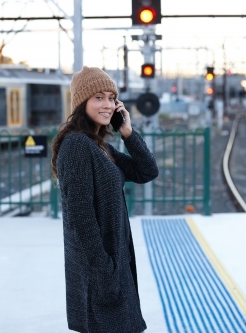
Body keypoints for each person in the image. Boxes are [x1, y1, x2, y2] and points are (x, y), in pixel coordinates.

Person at [51, 66, 159, 333]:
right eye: (99, 97)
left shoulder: (98, 146)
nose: (108, 105)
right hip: (100, 273)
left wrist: (128, 132)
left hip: (112, 265)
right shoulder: (76, 146)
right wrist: (104, 275)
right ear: (81, 102)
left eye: (112, 98)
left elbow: (147, 171)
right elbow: (80, 218)